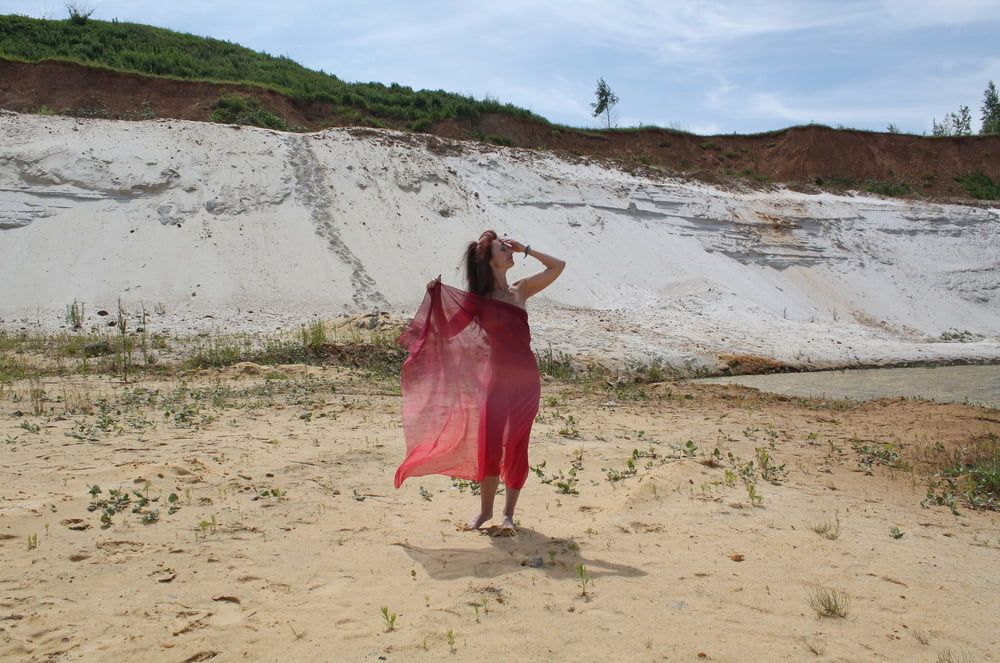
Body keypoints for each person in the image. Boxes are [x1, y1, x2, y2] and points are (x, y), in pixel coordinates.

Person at [394, 230, 566, 533]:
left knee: (517, 444)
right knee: (491, 446)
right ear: (488, 260)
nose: (509, 251)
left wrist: (526, 249)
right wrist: (434, 296)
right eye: (503, 249)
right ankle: (486, 512)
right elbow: (446, 333)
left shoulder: (521, 289)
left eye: (508, 247)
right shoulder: (477, 302)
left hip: (526, 380)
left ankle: (508, 514)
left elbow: (558, 266)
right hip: (496, 381)